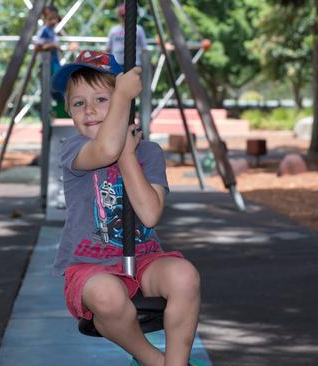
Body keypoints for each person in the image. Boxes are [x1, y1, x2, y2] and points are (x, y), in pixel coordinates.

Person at [51, 50, 202, 366]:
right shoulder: (74, 149)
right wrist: (120, 98)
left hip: (144, 258)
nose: (89, 110)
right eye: (79, 103)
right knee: (107, 297)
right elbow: (106, 148)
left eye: (102, 100)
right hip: (89, 264)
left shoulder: (149, 153)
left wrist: (129, 156)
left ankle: (177, 362)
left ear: (126, 103)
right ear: (69, 110)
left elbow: (149, 214)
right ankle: (153, 360)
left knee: (184, 276)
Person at [35, 5, 62, 76]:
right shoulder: (45, 31)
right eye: (51, 18)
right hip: (48, 63)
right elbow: (37, 47)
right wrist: (53, 46)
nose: (54, 21)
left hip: (53, 62)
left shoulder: (51, 31)